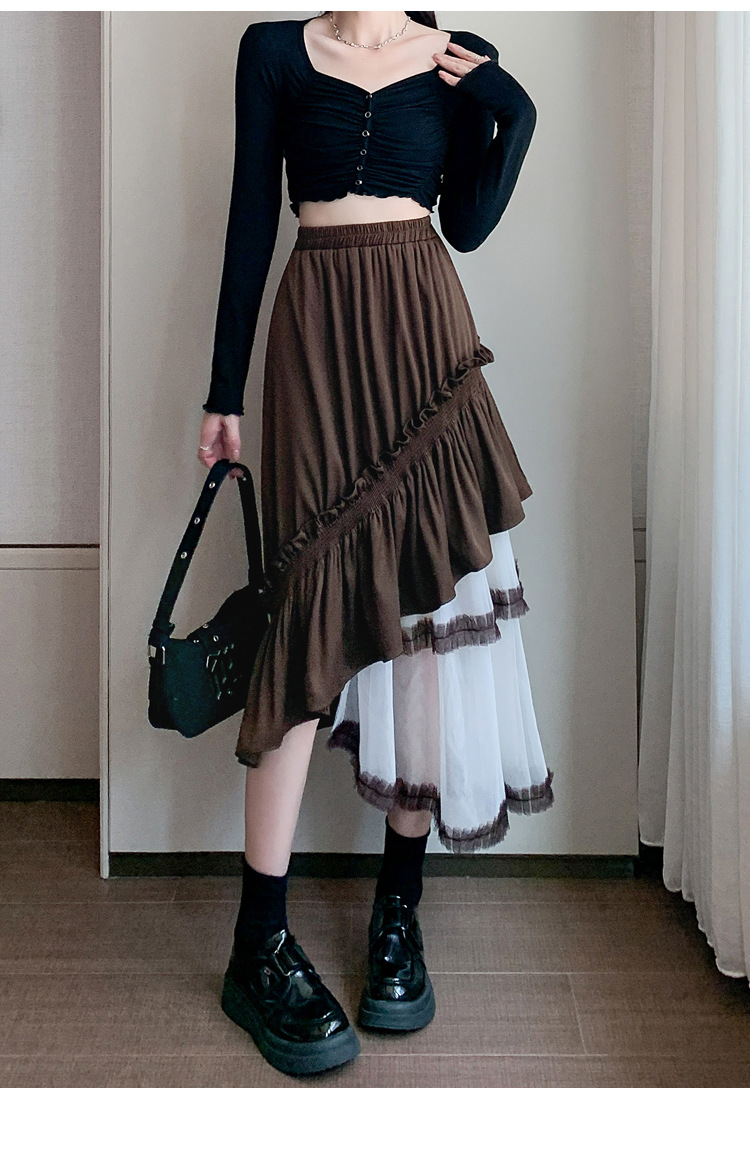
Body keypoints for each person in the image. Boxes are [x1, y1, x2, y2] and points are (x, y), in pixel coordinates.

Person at [197, 11, 554, 1078]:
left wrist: (512, 110)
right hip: (315, 335)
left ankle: (399, 908)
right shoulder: (272, 50)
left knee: (427, 616)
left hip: (422, 337)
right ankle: (258, 940)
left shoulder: (457, 56)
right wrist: (223, 391)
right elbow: (250, 218)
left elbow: (470, 224)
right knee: (307, 603)